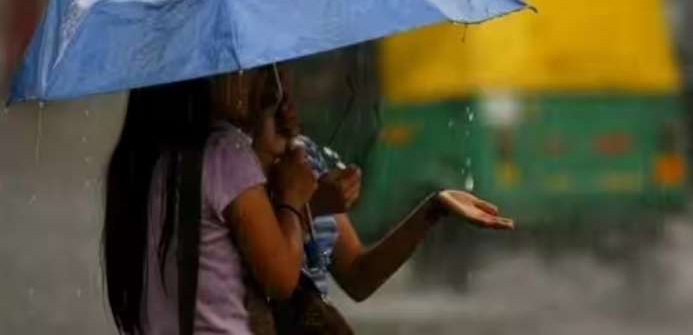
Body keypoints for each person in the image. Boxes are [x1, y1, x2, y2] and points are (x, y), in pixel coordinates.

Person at [103, 65, 513, 335]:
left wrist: (433, 208)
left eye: (284, 78)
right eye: (269, 81)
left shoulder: (296, 160)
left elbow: (357, 275)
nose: (288, 101)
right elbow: (277, 278)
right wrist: (299, 201)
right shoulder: (223, 159)